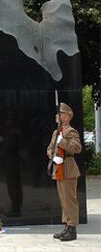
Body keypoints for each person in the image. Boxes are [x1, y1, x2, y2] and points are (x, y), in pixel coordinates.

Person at [47, 103, 82, 242]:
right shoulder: (57, 132)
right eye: (59, 114)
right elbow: (50, 148)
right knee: (63, 200)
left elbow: (76, 148)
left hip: (69, 168)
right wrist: (53, 156)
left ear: (67, 116)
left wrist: (62, 142)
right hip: (59, 168)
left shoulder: (71, 131)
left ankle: (72, 228)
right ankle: (67, 226)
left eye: (61, 114)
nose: (58, 116)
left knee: (70, 200)